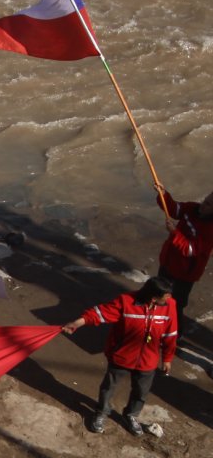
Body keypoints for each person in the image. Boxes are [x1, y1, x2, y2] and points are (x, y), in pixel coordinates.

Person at [62, 276, 177, 437]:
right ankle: (101, 412)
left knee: (141, 392)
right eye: (165, 296)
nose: (169, 299)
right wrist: (77, 323)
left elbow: (170, 334)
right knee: (109, 387)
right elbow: (99, 313)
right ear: (153, 297)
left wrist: (167, 358)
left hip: (148, 361)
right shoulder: (125, 301)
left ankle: (130, 415)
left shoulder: (170, 305)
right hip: (122, 357)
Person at [154, 182, 213, 327]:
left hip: (184, 274)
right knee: (157, 295)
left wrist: (174, 233)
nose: (203, 205)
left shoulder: (211, 231)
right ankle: (156, 325)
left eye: (209, 204)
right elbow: (174, 209)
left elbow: (190, 249)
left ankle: (176, 334)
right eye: (205, 200)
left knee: (175, 304)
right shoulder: (192, 208)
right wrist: (163, 194)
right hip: (168, 262)